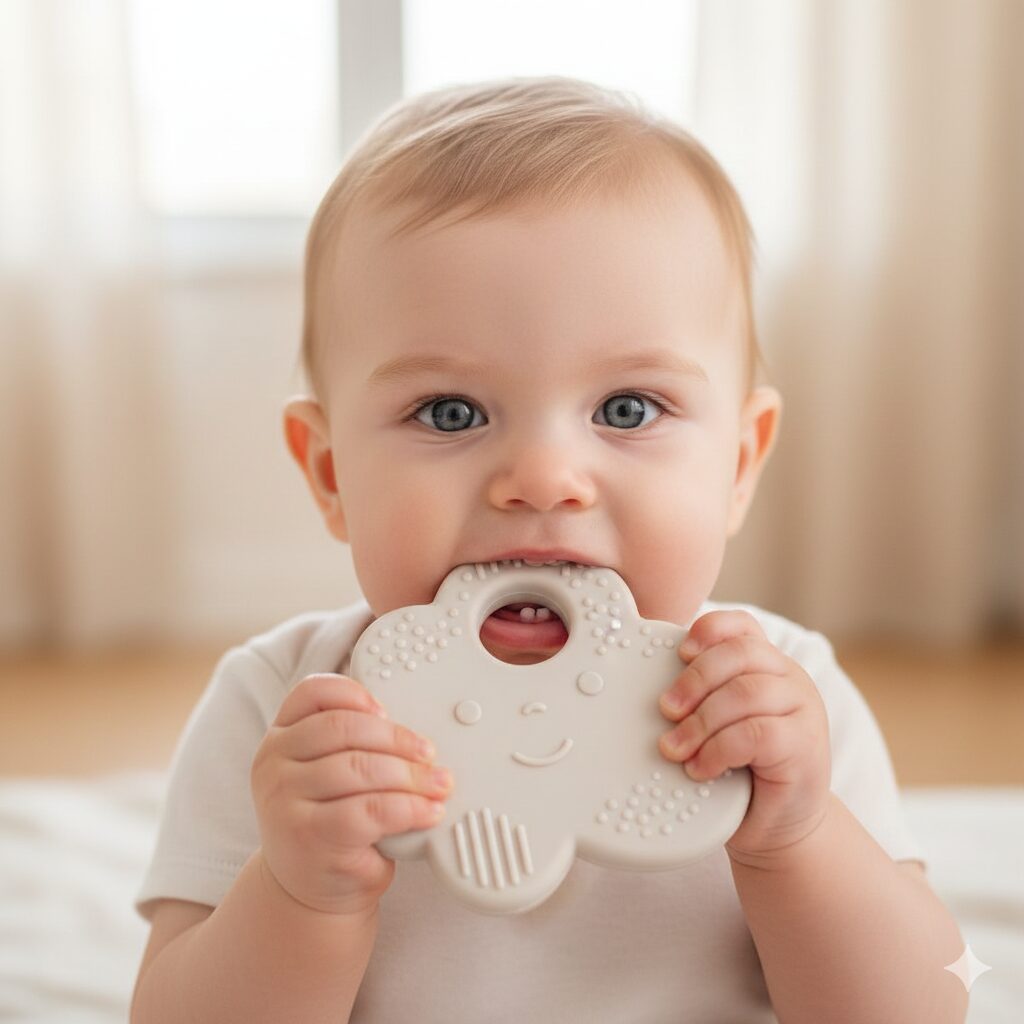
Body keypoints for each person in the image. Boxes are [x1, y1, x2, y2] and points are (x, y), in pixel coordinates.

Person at [130, 77, 967, 1023]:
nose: (541, 478)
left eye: (627, 409)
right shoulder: (283, 710)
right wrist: (297, 894)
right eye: (451, 413)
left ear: (738, 465)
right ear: (330, 473)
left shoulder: (779, 706)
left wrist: (799, 836)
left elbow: (925, 1011)